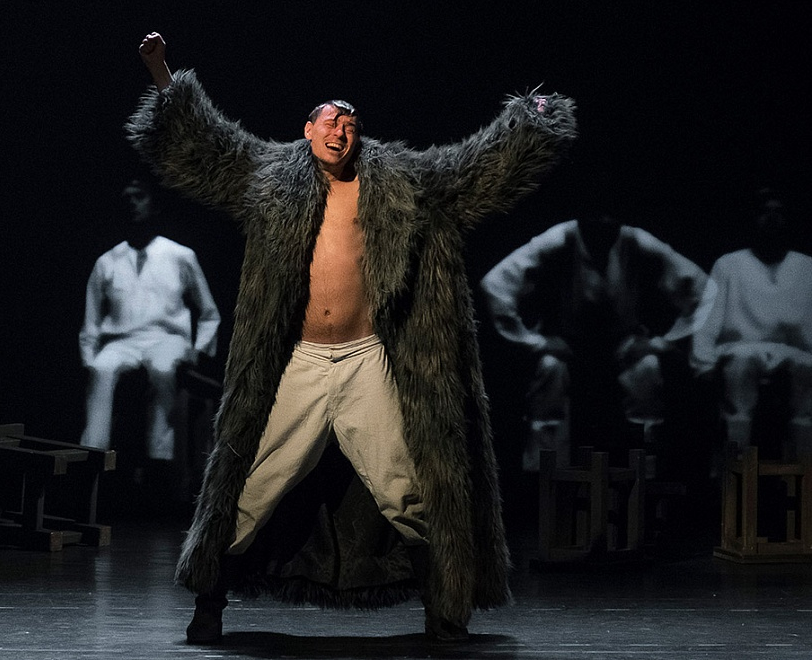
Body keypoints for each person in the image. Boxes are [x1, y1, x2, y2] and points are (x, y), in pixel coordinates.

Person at [126, 32, 577, 644]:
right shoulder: (268, 176)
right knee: (253, 486)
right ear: (307, 130)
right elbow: (203, 142)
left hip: (368, 360)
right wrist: (160, 70)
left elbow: (474, 168)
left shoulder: (400, 180)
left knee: (406, 489)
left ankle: (445, 609)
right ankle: (210, 602)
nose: (341, 132)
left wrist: (531, 120)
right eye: (331, 122)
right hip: (300, 361)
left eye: (350, 125)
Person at [480, 210, 708, 472]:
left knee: (647, 369)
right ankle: (545, 478)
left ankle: (644, 474)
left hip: (623, 345)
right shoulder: (560, 238)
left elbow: (701, 288)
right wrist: (535, 342)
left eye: (611, 217)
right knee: (549, 369)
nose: (604, 223)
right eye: (596, 216)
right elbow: (495, 285)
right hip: (568, 345)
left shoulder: (635, 240)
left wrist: (660, 343)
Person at [79, 177, 221, 481]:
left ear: (154, 205)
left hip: (166, 338)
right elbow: (91, 320)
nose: (132, 204)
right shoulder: (107, 261)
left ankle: (160, 455)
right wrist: (88, 356)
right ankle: (93, 452)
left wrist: (199, 350)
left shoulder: (180, 256)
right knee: (101, 369)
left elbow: (209, 313)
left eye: (139, 197)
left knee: (162, 367)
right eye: (127, 198)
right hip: (121, 340)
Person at [692, 187, 812, 460]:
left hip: (794, 352)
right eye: (764, 212)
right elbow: (708, 320)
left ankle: (804, 474)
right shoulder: (728, 265)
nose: (772, 219)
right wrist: (704, 364)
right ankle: (736, 469)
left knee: (808, 374)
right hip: (740, 349)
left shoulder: (806, 267)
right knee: (741, 366)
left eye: (778, 213)